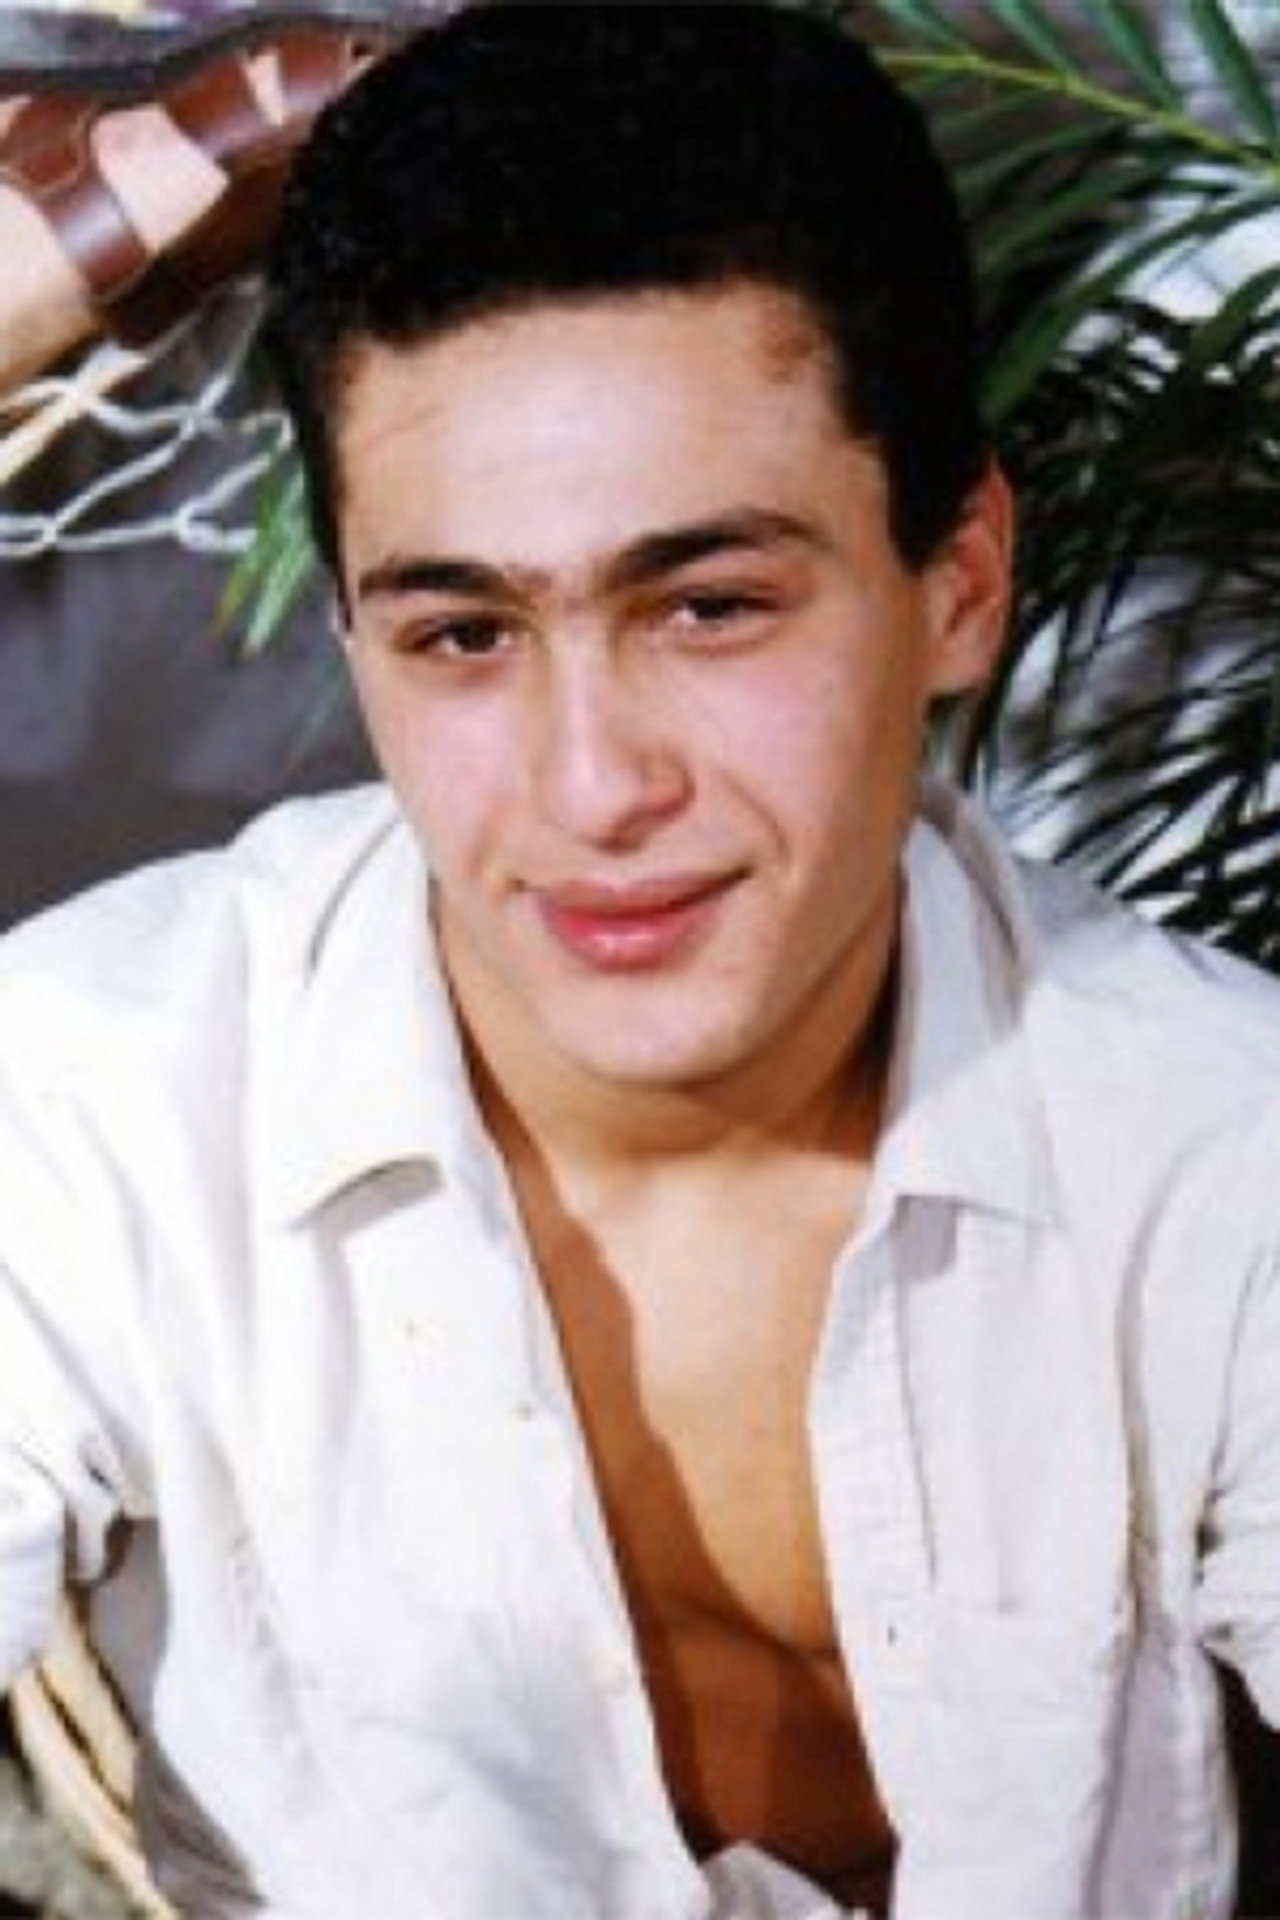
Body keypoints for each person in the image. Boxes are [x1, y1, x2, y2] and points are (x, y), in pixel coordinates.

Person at [0, 5, 1278, 1916]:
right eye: (463, 636)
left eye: (709, 607)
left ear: (960, 581)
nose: (594, 787)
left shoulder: (1217, 1141)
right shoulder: (96, 1101)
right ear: (351, 632)